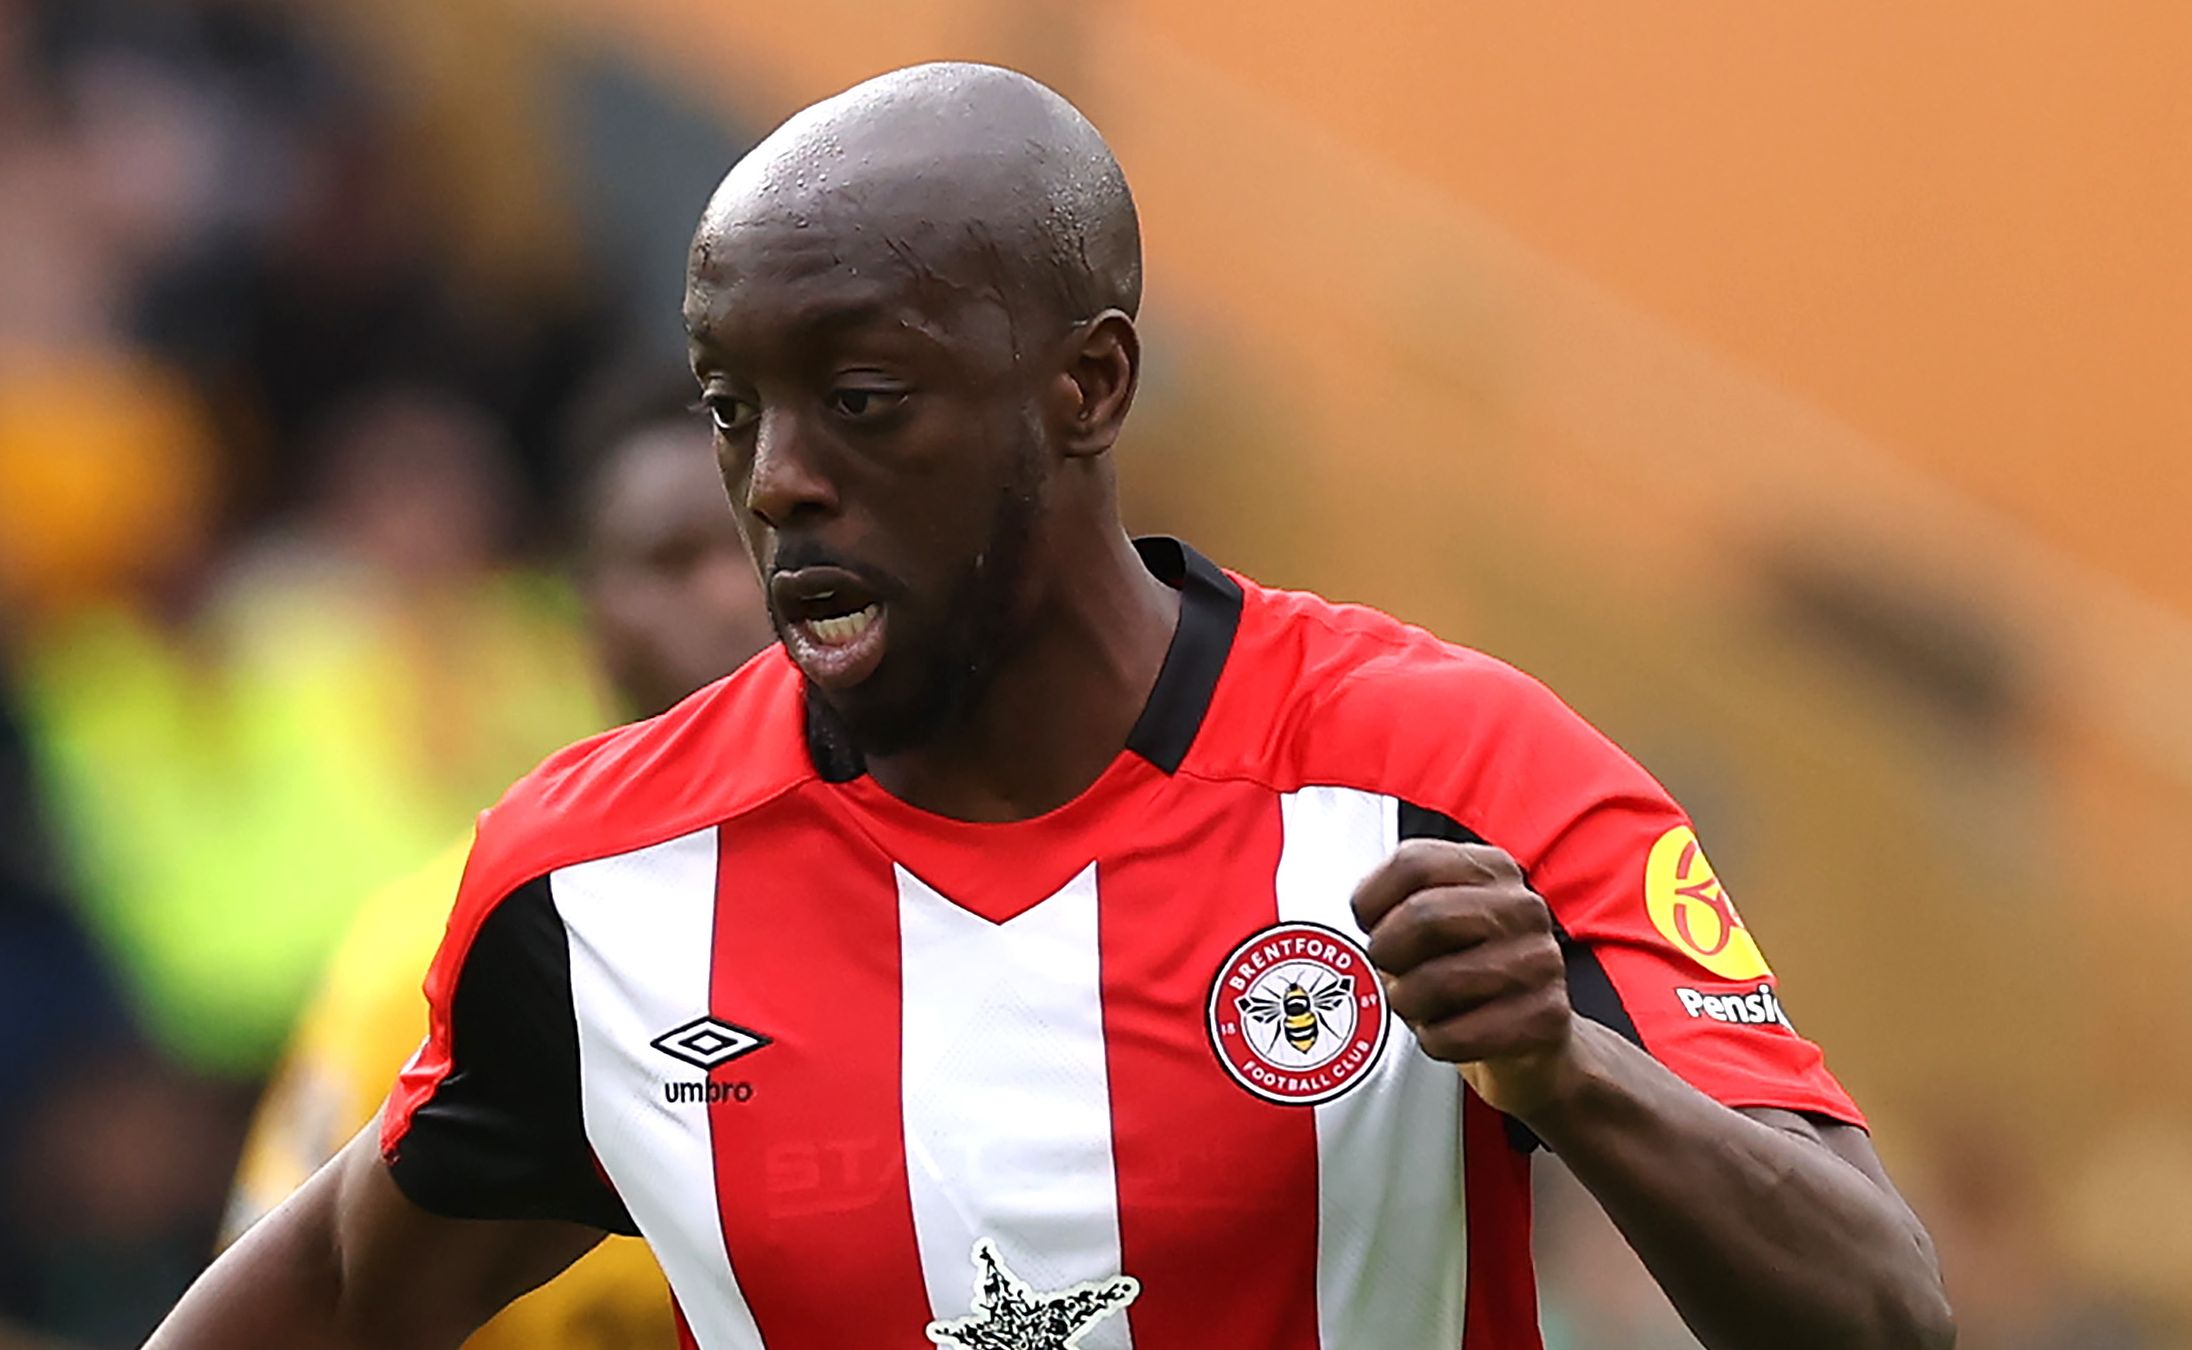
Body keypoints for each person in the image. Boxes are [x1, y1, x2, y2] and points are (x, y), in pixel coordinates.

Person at [149, 63, 1954, 1350]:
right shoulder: (595, 889)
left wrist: (1575, 1075)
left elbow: (1879, 1311)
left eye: (862, 400)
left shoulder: (1448, 770)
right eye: (731, 409)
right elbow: (334, 1287)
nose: (776, 480)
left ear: (1086, 386)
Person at [221, 394, 773, 1348]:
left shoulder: (947, 899)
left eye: (757, 545)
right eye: (670, 561)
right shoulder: (454, 944)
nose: (729, 596)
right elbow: (297, 1299)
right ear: (584, 611)